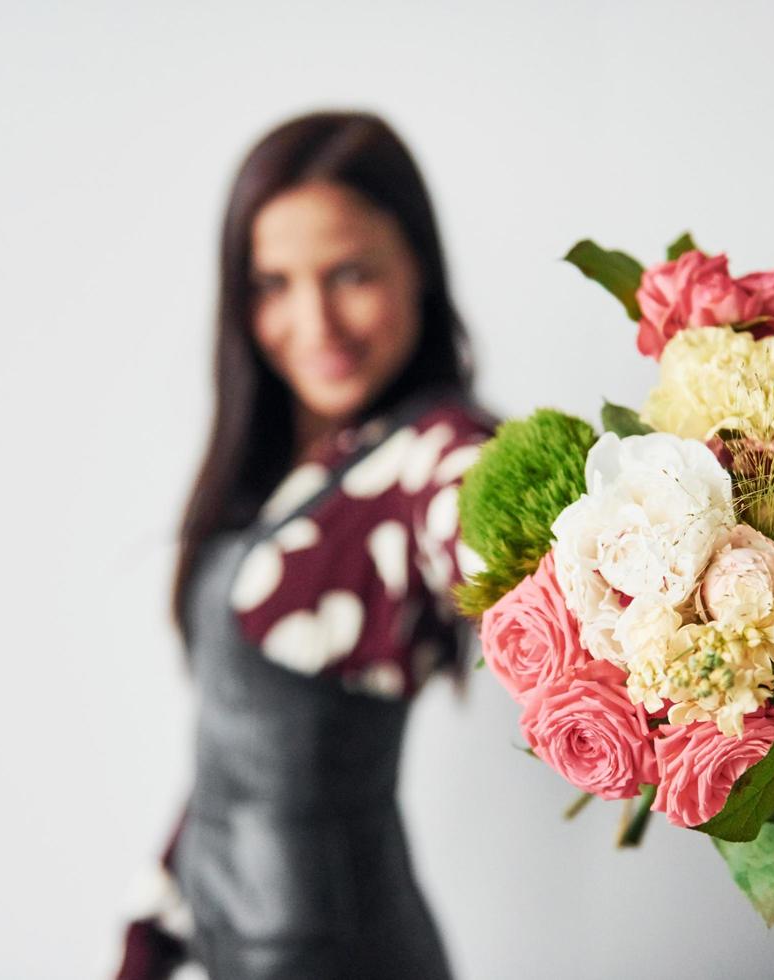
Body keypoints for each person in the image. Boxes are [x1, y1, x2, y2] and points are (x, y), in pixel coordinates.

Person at [112, 111, 494, 980]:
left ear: (418, 269)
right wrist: (143, 941)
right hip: (226, 946)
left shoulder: (440, 451)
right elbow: (225, 765)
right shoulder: (277, 473)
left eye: (351, 273)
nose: (313, 320)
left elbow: (481, 527)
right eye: (272, 284)